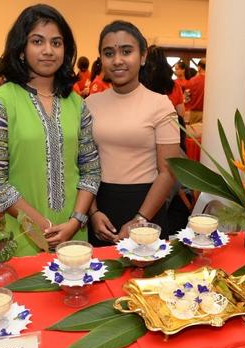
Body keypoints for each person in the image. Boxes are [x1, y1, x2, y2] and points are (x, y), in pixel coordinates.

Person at [0, 4, 101, 256]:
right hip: (23, 232)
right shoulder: (1, 102)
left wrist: (76, 220)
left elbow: (90, 169)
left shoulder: (78, 104)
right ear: (22, 49)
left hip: (73, 232)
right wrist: (41, 226)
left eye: (56, 43)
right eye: (37, 41)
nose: (48, 51)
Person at [85, 20, 180, 246]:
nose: (117, 60)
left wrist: (140, 219)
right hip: (100, 208)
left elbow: (168, 173)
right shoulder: (89, 104)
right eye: (109, 53)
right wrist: (93, 212)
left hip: (147, 207)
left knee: (147, 280)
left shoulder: (161, 104)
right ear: (101, 59)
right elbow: (81, 166)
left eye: (126, 51)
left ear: (143, 56)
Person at [140, 44, 185, 150]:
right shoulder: (174, 86)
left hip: (144, 135)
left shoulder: (140, 85)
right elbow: (181, 113)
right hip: (169, 135)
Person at [185, 58, 205, 124]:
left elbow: (186, 99)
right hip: (209, 113)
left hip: (194, 113)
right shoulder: (213, 81)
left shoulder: (192, 81)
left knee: (194, 134)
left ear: (199, 67)